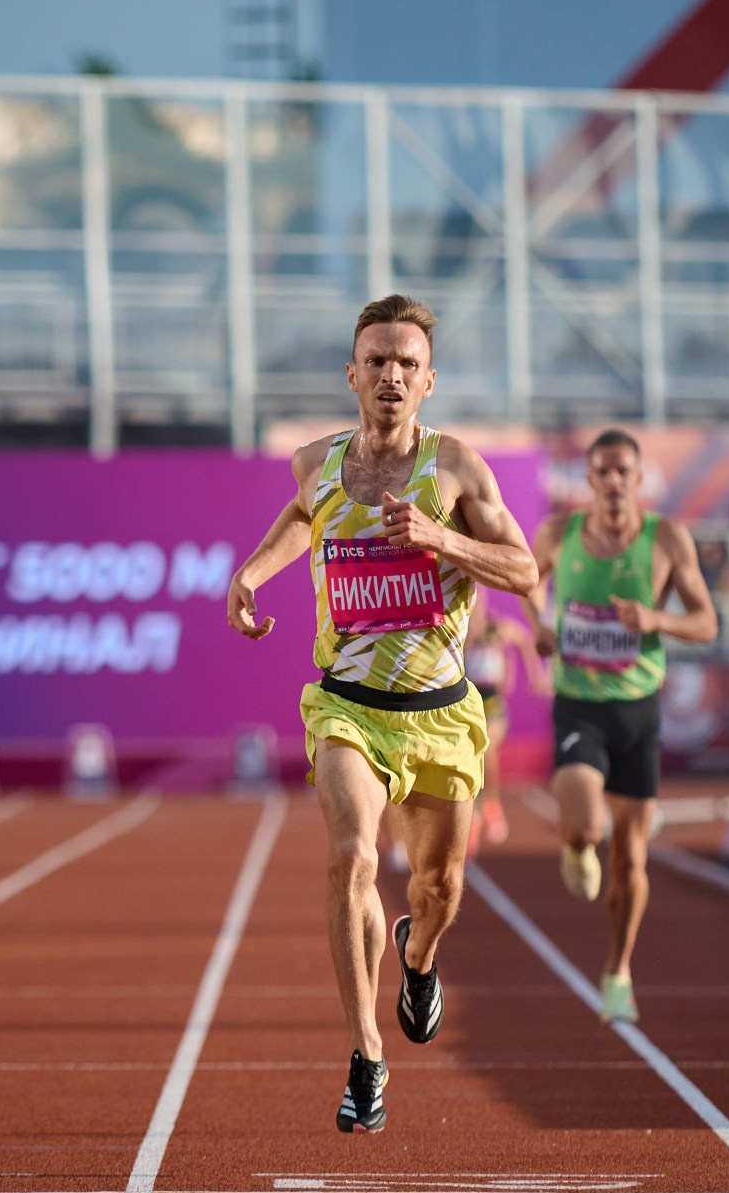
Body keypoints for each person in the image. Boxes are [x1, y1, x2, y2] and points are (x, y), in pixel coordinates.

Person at [226, 294, 537, 1133]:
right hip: (348, 708)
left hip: (439, 714)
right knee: (352, 856)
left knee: (437, 889)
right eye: (377, 360)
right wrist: (251, 573)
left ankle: (418, 954)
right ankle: (366, 1053)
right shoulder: (317, 464)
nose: (391, 374)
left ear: (428, 381)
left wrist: (444, 541)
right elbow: (303, 517)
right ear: (352, 374)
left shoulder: (456, 468)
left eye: (407, 363)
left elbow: (524, 570)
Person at [522, 428, 717, 1024]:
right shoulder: (560, 535)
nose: (612, 482)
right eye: (602, 472)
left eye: (622, 472)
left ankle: (617, 973)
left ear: (638, 478)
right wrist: (540, 624)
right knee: (586, 825)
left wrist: (655, 619)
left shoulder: (667, 539)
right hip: (580, 705)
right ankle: (577, 843)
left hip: (638, 712)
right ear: (589, 479)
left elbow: (706, 622)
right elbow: (524, 578)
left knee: (631, 861)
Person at [462, 608, 545, 848]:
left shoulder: (498, 630)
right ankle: (474, 812)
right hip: (469, 708)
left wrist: (535, 674)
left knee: (487, 750)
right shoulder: (460, 630)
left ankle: (491, 805)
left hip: (494, 707)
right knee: (471, 759)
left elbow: (524, 639)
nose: (476, 619)